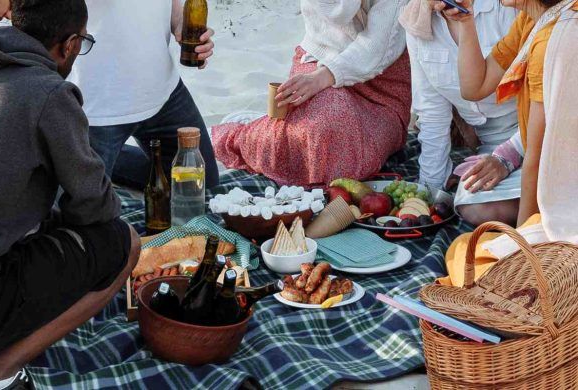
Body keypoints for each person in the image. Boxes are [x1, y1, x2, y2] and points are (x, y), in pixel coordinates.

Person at [0, 1, 141, 388]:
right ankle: (1, 371)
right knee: (123, 242)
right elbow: (93, 204)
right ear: (70, 43)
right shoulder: (48, 92)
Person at [436, 0, 578, 287]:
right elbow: (474, 87)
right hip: (554, 170)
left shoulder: (552, 38)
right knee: (468, 202)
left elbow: (537, 158)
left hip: (564, 184)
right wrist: (466, 23)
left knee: (466, 257)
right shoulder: (533, 19)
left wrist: (524, 249)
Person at [212, 0, 412, 187]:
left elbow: (376, 48)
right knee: (317, 132)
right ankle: (246, 134)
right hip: (319, 60)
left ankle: (271, 126)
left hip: (381, 84)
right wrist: (320, 77)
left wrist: (324, 77)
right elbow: (337, 13)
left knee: (351, 157)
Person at [67, 0, 219, 190]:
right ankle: (94, 160)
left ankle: (109, 159)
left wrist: (180, 22)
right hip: (98, 106)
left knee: (201, 185)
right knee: (85, 210)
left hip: (163, 92)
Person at [399, 0, 522, 226]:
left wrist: (508, 156)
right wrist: (430, 192)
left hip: (538, 133)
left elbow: (549, 105)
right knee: (475, 208)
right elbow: (433, 114)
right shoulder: (417, 21)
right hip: (490, 147)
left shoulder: (509, 7)